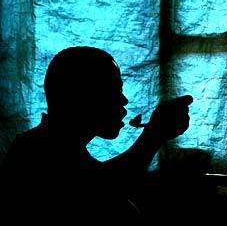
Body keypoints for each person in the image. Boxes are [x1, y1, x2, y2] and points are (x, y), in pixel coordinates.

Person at [1, 46, 193, 223]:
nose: (124, 100)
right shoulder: (34, 153)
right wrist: (154, 135)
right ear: (80, 96)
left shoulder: (57, 149)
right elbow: (101, 190)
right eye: (114, 90)